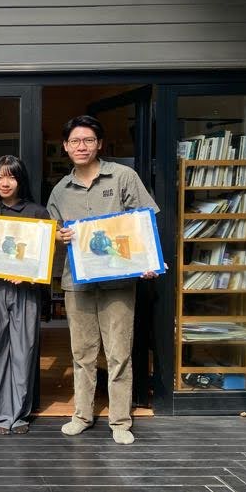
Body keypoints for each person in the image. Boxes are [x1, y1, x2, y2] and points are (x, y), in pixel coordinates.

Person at [47, 115, 160, 445]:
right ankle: (82, 415)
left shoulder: (123, 176)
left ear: (99, 144)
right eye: (74, 141)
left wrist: (148, 262)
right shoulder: (60, 190)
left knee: (118, 353)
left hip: (118, 282)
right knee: (82, 354)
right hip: (78, 282)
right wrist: (59, 236)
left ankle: (120, 420)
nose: (81, 146)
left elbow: (143, 222)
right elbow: (51, 234)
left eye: (88, 140)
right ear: (66, 146)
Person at [0, 155, 49, 435]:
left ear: (20, 180)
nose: (5, 183)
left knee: (23, 351)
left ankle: (19, 415)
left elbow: (45, 257)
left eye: (11, 176)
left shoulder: (38, 213)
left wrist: (29, 274)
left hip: (26, 290)